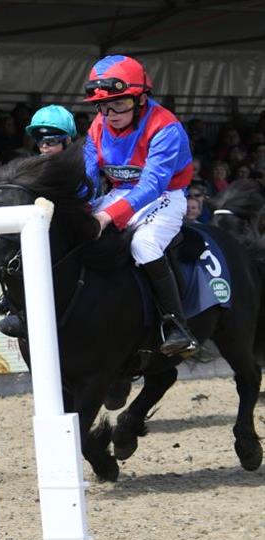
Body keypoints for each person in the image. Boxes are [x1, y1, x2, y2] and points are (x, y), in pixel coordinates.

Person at [82, 54, 197, 355]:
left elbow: (152, 184)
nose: (110, 113)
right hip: (120, 191)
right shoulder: (98, 125)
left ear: (141, 98)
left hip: (165, 196)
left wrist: (108, 216)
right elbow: (89, 174)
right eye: (103, 106)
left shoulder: (165, 127)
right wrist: (81, 204)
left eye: (119, 103)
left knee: (144, 245)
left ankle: (176, 324)